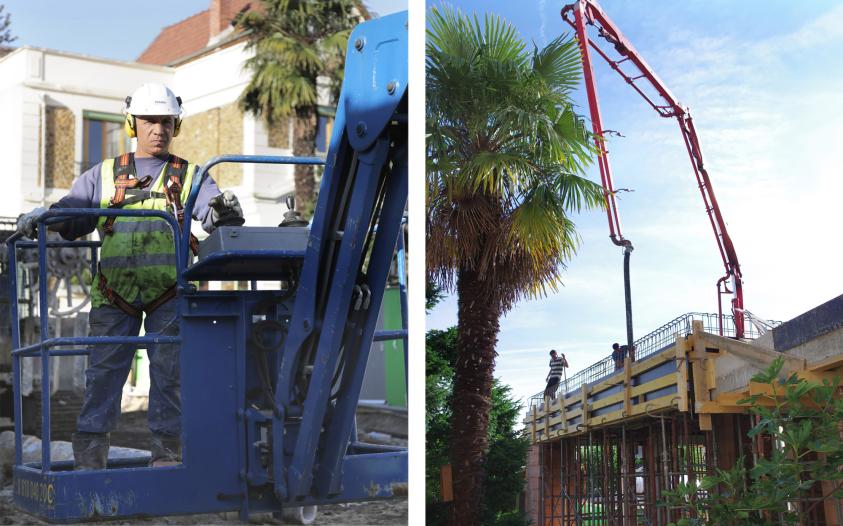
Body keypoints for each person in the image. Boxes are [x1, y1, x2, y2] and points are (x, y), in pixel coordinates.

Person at [16, 83, 243, 470]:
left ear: (176, 126)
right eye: (150, 120)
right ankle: (90, 460)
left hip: (170, 296)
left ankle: (167, 457)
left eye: (166, 121)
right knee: (102, 377)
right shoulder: (102, 176)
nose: (159, 129)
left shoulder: (192, 177)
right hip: (113, 295)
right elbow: (71, 214)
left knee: (169, 378)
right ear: (132, 124)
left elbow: (215, 214)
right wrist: (45, 216)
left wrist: (224, 212)